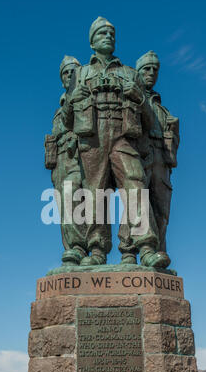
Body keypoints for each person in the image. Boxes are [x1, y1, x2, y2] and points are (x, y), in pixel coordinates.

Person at [61, 17, 169, 268]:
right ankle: (97, 250)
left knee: (135, 184)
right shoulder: (81, 74)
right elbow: (67, 122)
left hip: (122, 136)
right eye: (101, 34)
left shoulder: (130, 73)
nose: (107, 37)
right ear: (91, 42)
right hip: (93, 139)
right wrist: (71, 99)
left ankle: (145, 247)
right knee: (95, 193)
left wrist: (139, 98)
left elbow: (149, 119)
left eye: (111, 33)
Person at [44, 56, 88, 266]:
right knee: (65, 208)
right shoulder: (59, 109)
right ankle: (72, 249)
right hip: (61, 162)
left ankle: (81, 247)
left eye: (73, 71)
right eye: (66, 73)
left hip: (81, 157)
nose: (70, 75)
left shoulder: (86, 99)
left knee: (81, 202)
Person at [136, 50, 180, 255]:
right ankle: (134, 252)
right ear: (137, 72)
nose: (151, 72)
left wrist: (175, 131)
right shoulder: (132, 101)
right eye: (147, 68)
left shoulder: (163, 111)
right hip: (140, 157)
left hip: (161, 162)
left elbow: (173, 144)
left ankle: (158, 252)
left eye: (155, 69)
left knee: (161, 211)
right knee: (137, 206)